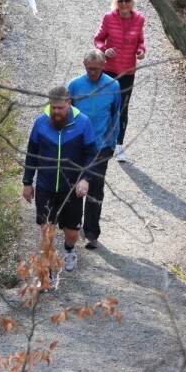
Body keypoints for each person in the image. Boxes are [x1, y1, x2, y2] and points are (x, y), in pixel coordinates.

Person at [22, 85, 98, 288]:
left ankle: (69, 249)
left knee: (71, 233)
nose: (56, 112)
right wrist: (27, 182)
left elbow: (92, 155)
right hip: (45, 186)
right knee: (46, 231)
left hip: (71, 188)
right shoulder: (41, 123)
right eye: (53, 107)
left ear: (69, 104)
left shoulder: (83, 123)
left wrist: (85, 179)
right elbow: (31, 154)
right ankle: (46, 275)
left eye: (60, 108)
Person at [68, 50, 120, 250]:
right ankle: (73, 226)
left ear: (103, 66)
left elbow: (115, 115)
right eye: (89, 68)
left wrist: (112, 143)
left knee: (95, 188)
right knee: (74, 186)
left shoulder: (113, 86)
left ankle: (91, 232)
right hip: (77, 145)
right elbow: (65, 112)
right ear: (84, 66)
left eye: (96, 69)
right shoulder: (74, 85)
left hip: (101, 146)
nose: (92, 72)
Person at [93, 0, 146, 162]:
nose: (124, 4)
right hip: (108, 70)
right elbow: (98, 39)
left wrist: (141, 51)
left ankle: (119, 146)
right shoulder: (109, 17)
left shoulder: (139, 19)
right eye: (120, 1)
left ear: (132, 3)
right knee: (105, 106)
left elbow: (141, 42)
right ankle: (100, 142)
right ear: (116, 3)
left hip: (128, 72)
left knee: (122, 108)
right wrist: (104, 49)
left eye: (127, 0)